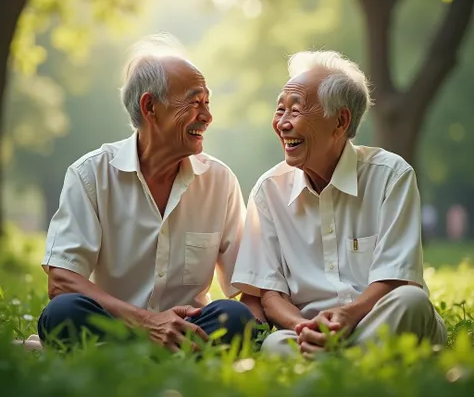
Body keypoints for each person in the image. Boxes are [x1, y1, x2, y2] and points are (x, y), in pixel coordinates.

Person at [37, 34, 262, 351]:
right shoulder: (91, 174)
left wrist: (256, 330)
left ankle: (133, 358)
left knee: (234, 316)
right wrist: (145, 322)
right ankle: (146, 355)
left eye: (207, 103)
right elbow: (62, 280)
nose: (207, 116)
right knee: (62, 313)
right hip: (115, 324)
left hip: (189, 331)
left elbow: (249, 284)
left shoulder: (219, 180)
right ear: (150, 106)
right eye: (195, 102)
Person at [231, 50, 447, 357]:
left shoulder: (391, 175)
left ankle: (338, 365)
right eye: (281, 110)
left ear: (340, 121)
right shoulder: (269, 191)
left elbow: (396, 278)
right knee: (276, 345)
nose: (283, 123)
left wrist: (349, 315)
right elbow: (270, 295)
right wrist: (304, 327)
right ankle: (357, 363)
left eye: (296, 110)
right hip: (309, 332)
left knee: (412, 302)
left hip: (379, 319)